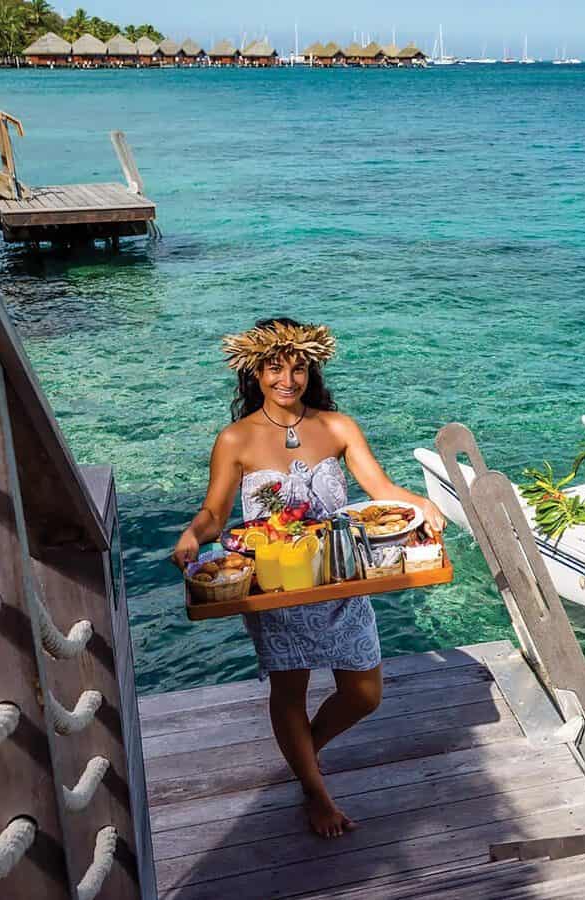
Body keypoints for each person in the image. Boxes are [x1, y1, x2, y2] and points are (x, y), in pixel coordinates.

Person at [171, 317, 446, 838]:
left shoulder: (337, 426)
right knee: (290, 690)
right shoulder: (235, 439)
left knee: (365, 693)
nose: (287, 380)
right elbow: (213, 513)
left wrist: (422, 503)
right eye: (275, 368)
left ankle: (303, 758)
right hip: (278, 585)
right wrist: (191, 536)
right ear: (254, 371)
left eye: (298, 368)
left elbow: (380, 487)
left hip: (342, 575)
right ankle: (315, 791)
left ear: (311, 370)